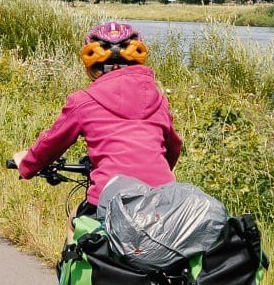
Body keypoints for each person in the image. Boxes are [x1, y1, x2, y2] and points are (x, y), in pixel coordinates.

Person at [14, 20, 181, 211]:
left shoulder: (83, 101)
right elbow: (173, 147)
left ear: (92, 68)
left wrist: (27, 164)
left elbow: (52, 142)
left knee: (75, 221)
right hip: (162, 199)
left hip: (109, 199)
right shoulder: (159, 99)